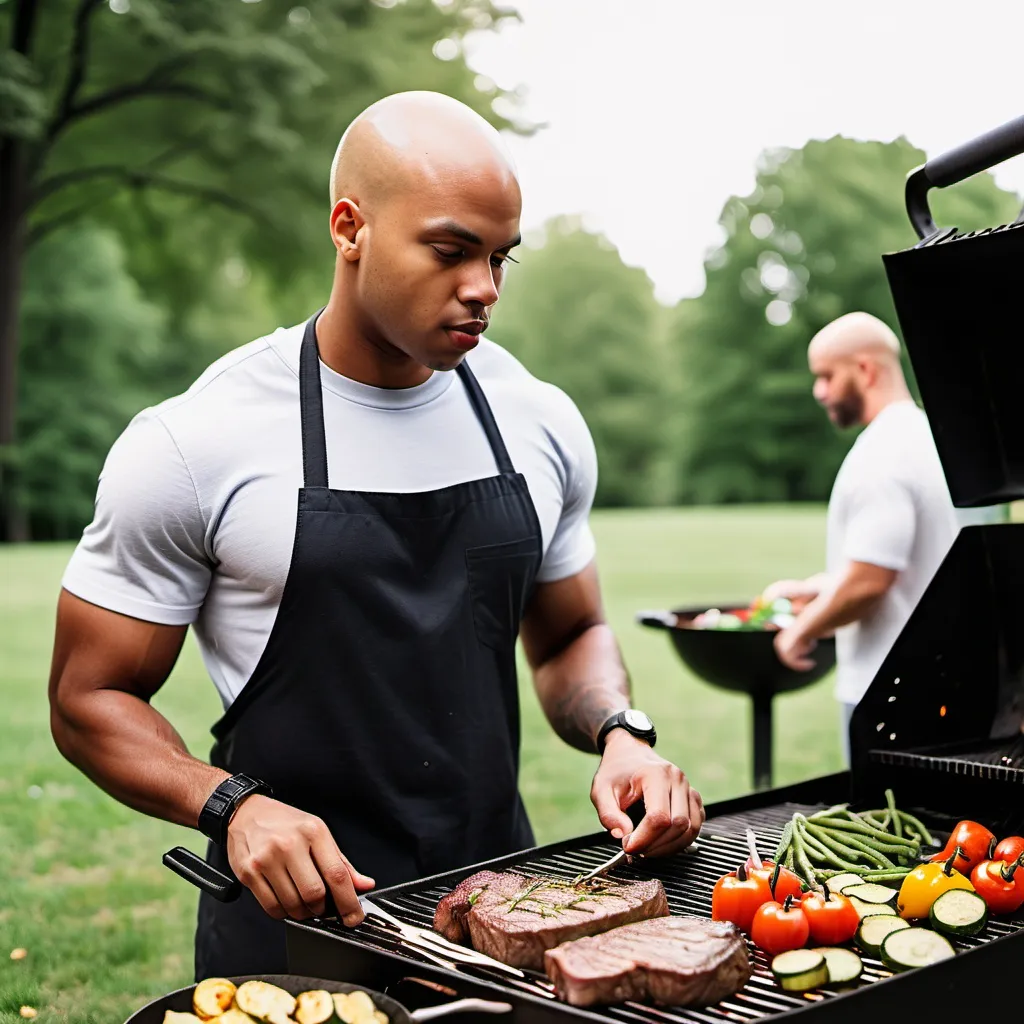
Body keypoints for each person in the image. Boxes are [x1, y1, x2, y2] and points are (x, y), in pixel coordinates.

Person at [47, 91, 703, 979]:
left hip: (499, 917)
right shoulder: (194, 441)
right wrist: (232, 809)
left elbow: (572, 635)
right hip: (292, 936)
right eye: (450, 250)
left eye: (501, 257)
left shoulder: (537, 419)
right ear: (349, 228)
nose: (484, 287)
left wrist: (621, 732)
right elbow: (88, 698)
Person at [764, 312, 959, 762]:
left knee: (887, 830)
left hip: (888, 693)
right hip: (942, 680)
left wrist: (799, 632)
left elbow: (871, 580)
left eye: (827, 376)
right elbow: (918, 561)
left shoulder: (881, 455)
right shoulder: (931, 438)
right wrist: (817, 588)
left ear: (866, 370)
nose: (819, 391)